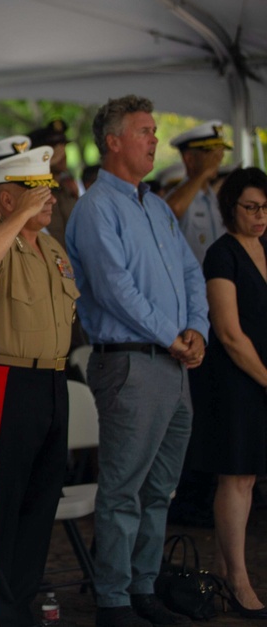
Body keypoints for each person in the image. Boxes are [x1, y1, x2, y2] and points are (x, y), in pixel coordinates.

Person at [66, 95, 209, 627]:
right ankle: (113, 599)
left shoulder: (155, 206)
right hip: (129, 362)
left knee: (161, 487)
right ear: (114, 141)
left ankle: (144, 586)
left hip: (173, 363)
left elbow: (191, 275)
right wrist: (173, 334)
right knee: (124, 488)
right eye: (145, 130)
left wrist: (198, 330)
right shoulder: (96, 208)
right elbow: (113, 287)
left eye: (152, 130)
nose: (155, 139)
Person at [0, 146, 78, 627]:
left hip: (54, 380)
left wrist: (33, 212)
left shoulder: (51, 249)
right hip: (7, 378)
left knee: (41, 501)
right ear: (8, 200)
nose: (48, 198)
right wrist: (21, 214)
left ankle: (24, 604)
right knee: (3, 502)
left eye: (50, 189)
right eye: (37, 191)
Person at [187, 167, 267, 619]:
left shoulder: (265, 247)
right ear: (230, 208)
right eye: (250, 207)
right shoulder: (223, 254)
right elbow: (229, 333)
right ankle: (236, 579)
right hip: (235, 379)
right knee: (235, 477)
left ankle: (225, 567)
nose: (259, 217)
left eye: (265, 208)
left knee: (251, 478)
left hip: (260, 374)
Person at [165, 121, 231, 264]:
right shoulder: (180, 197)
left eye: (220, 151)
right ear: (189, 159)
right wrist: (203, 173)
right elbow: (173, 209)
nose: (218, 158)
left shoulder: (213, 199)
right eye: (210, 152)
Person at [29, 118, 78, 249]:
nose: (62, 154)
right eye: (54, 149)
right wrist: (44, 165)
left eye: (63, 147)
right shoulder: (31, 191)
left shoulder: (67, 189)